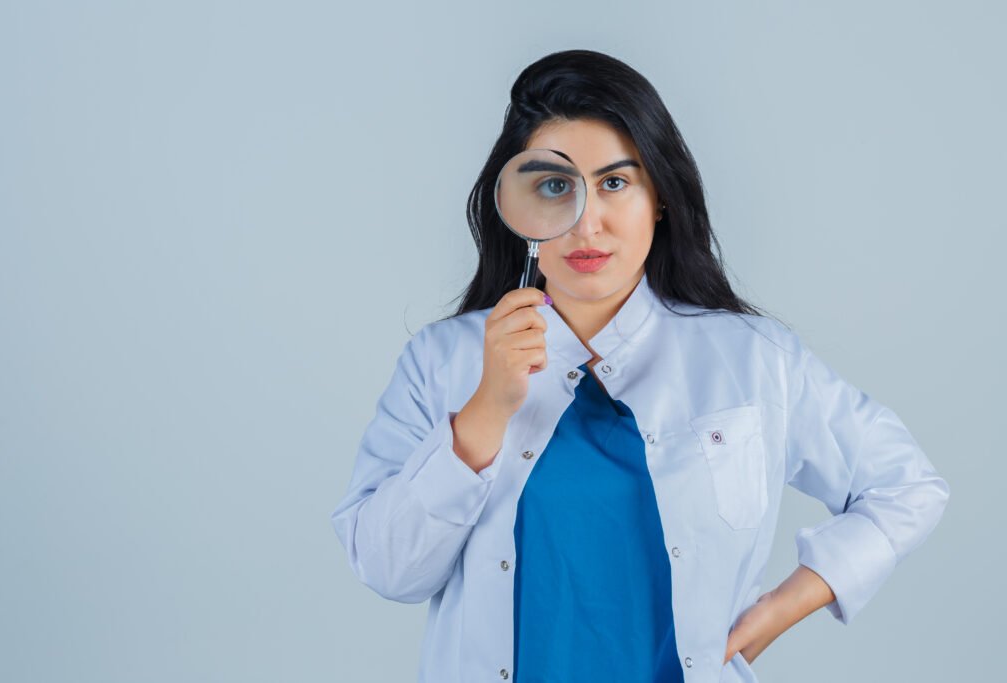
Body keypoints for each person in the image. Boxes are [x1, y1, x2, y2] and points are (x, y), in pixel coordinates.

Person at [330, 49, 950, 682]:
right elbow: (388, 570)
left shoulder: (754, 359)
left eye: (615, 183)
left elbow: (907, 486)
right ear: (517, 207)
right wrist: (485, 411)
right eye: (554, 186)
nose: (586, 222)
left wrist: (785, 606)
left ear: (659, 198)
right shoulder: (440, 362)